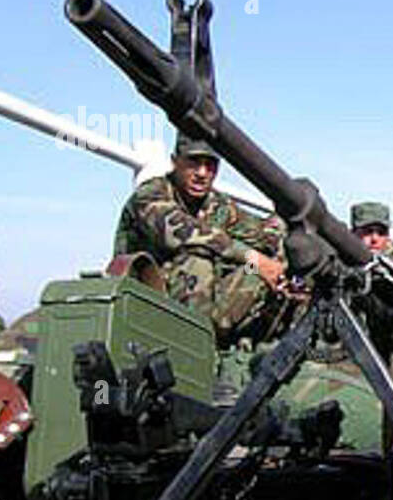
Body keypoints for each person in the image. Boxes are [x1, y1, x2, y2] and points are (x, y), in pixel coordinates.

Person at [114, 135, 286, 346]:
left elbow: (263, 234)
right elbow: (180, 233)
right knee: (198, 260)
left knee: (256, 271)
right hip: (145, 305)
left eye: (210, 165)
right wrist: (252, 257)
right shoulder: (150, 195)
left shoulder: (217, 206)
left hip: (201, 307)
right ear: (175, 161)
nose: (202, 174)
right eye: (194, 163)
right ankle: (194, 346)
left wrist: (283, 254)